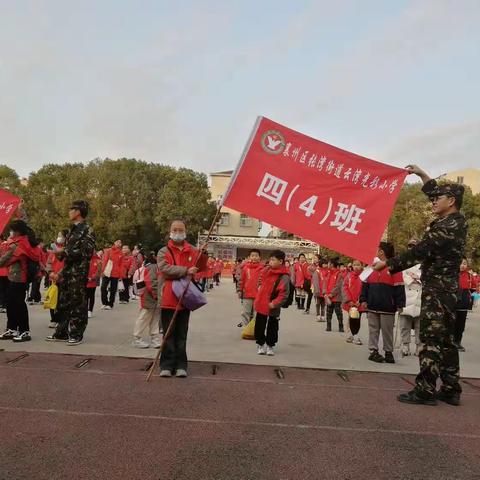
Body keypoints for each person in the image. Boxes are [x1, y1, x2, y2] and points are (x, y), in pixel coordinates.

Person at [374, 165, 467, 406]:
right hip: (445, 290)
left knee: (430, 340)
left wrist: (387, 265)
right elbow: (435, 190)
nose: (434, 201)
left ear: (452, 200)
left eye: (439, 199)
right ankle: (450, 387)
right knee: (446, 340)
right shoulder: (454, 219)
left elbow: (420, 251)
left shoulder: (448, 226)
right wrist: (422, 174)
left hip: (438, 291)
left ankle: (425, 390)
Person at [157, 219, 208, 378]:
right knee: (168, 333)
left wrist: (203, 254)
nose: (177, 232)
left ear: (185, 231)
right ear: (170, 231)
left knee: (181, 334)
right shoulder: (163, 251)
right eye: (175, 229)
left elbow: (202, 267)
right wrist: (186, 270)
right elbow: (164, 269)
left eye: (180, 229)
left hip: (185, 298)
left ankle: (181, 366)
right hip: (168, 298)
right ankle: (166, 365)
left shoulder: (192, 250)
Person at [46, 200, 95, 345]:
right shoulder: (72, 231)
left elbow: (86, 251)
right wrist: (60, 272)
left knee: (78, 304)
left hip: (78, 274)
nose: (69, 212)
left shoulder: (87, 230)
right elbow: (67, 258)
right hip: (68, 273)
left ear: (78, 211)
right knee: (63, 303)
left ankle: (76, 334)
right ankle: (61, 332)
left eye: (71, 209)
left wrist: (64, 251)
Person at [361, 242, 405, 364]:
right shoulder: (370, 267)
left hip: (388, 306)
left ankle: (388, 352)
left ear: (382, 252)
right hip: (372, 305)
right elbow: (365, 285)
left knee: (387, 330)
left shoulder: (394, 268)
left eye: (377, 249)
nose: (376, 251)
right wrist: (363, 300)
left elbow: (399, 287)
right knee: (373, 329)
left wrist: (400, 304)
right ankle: (373, 351)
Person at [0, 220, 41, 342]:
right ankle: (12, 328)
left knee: (18, 305)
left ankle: (24, 331)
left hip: (18, 279)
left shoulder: (18, 245)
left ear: (17, 231)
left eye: (11, 230)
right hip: (14, 277)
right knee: (11, 304)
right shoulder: (23, 242)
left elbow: (4, 261)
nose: (10, 232)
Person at [254, 250, 290, 356]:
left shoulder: (284, 277)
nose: (270, 261)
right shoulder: (265, 271)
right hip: (261, 303)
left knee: (272, 326)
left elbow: (283, 294)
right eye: (270, 259)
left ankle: (270, 345)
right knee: (259, 325)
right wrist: (259, 287)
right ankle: (260, 344)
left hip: (273, 306)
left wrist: (274, 304)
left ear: (280, 261)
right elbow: (259, 281)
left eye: (273, 260)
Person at [399, 239, 422, 357]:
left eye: (414, 246)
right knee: (404, 323)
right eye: (410, 246)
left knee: (420, 324)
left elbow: (425, 276)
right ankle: (405, 344)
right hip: (406, 295)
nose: (412, 248)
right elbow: (402, 276)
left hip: (420, 295)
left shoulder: (425, 262)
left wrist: (417, 278)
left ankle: (419, 345)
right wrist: (412, 278)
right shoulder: (403, 261)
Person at [132, 254, 161, 348]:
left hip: (155, 297)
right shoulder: (153, 267)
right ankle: (137, 338)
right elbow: (151, 283)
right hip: (150, 297)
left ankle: (154, 339)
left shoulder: (156, 266)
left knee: (154, 319)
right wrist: (157, 295)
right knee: (144, 317)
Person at [236, 249, 263, 328]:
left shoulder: (263, 269)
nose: (254, 257)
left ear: (259, 257)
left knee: (256, 313)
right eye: (252, 255)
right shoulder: (245, 268)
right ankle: (245, 329)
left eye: (256, 256)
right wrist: (239, 290)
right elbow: (241, 280)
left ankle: (254, 330)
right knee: (245, 313)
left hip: (258, 295)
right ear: (249, 257)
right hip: (247, 294)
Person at [342, 259, 365, 345]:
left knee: (357, 319)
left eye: (358, 264)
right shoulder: (349, 276)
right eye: (354, 264)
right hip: (350, 302)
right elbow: (345, 288)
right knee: (352, 318)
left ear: (362, 265)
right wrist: (349, 300)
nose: (356, 266)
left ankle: (354, 335)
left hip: (360, 302)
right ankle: (354, 335)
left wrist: (361, 300)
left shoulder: (364, 276)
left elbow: (365, 289)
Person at [454, 257, 473, 352]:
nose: (462, 265)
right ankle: (450, 342)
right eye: (460, 263)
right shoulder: (452, 274)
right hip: (453, 302)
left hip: (463, 303)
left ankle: (457, 342)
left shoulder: (469, 276)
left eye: (464, 263)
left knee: (461, 324)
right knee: (451, 323)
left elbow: (473, 287)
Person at [101, 239, 123, 309]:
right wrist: (103, 271)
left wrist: (120, 274)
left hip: (115, 273)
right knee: (103, 287)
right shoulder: (108, 251)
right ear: (114, 243)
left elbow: (121, 265)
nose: (118, 243)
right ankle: (104, 302)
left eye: (120, 242)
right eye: (117, 242)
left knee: (113, 289)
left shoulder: (121, 253)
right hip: (107, 272)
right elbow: (104, 261)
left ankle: (110, 304)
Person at [324, 258, 344, 332]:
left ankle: (341, 326)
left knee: (338, 312)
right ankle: (328, 326)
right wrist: (325, 293)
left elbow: (338, 286)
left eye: (328, 263)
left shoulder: (339, 274)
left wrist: (332, 294)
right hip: (328, 297)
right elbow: (325, 284)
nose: (327, 265)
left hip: (336, 297)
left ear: (332, 264)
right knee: (329, 312)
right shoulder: (328, 273)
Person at [86, 251, 102, 318]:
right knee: (85, 297)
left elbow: (98, 271)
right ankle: (85, 310)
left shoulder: (98, 261)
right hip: (85, 281)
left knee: (91, 296)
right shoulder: (85, 260)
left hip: (93, 281)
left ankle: (90, 310)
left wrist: (92, 278)